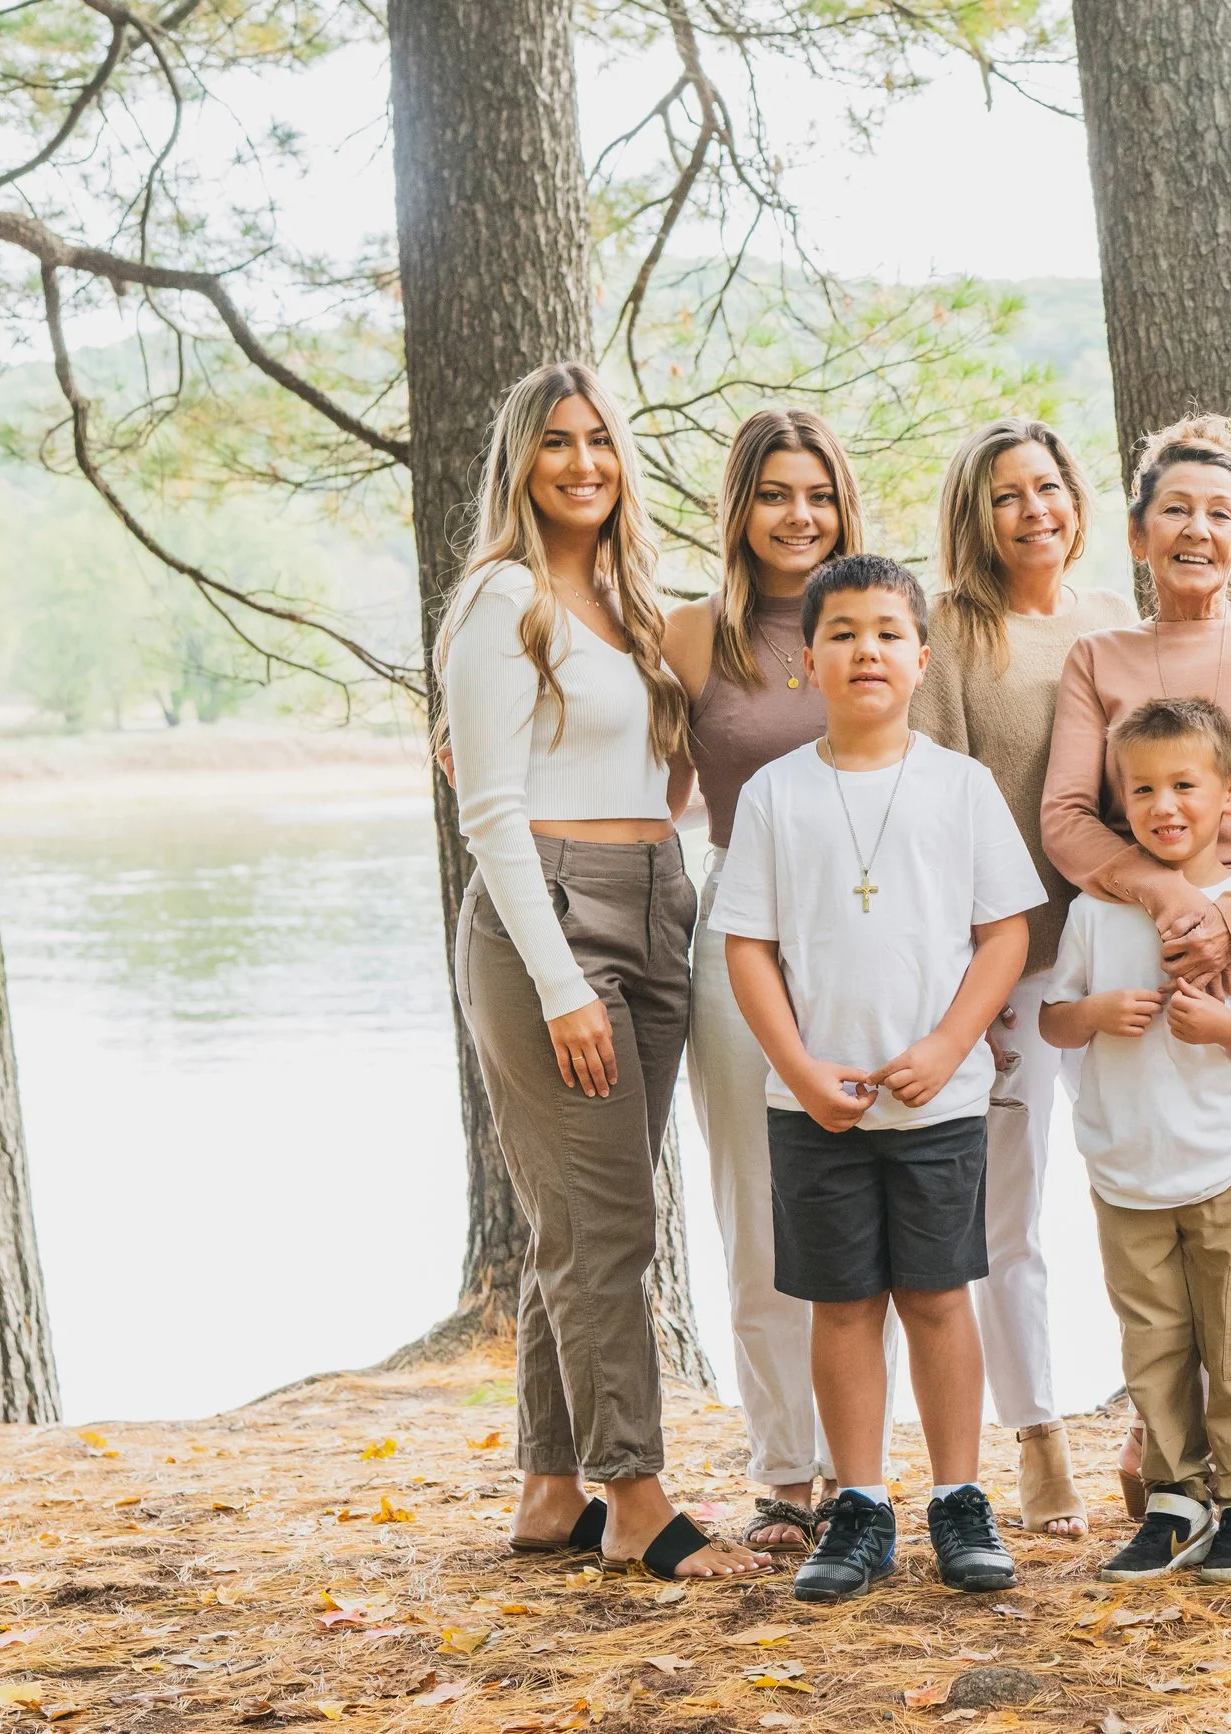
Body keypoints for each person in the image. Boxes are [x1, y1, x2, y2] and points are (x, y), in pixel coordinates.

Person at [440, 360, 766, 1581]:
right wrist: (563, 984)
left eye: (600, 442)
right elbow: (491, 813)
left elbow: (658, 780)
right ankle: (635, 1497)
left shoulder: (632, 605)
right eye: (557, 443)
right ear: (520, 462)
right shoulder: (499, 601)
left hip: (658, 899)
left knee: (578, 1218)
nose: (583, 462)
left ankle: (547, 1489)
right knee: (610, 1222)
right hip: (553, 918)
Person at [709, 554, 1044, 1604]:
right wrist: (799, 1068)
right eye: (843, 633)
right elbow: (749, 948)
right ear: (807, 661)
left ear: (920, 656)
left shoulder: (961, 785)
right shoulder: (774, 795)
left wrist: (950, 1044)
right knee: (842, 1303)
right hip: (818, 1105)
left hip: (935, 1099)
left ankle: (957, 1497)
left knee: (939, 1296)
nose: (867, 650)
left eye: (888, 633)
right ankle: (856, 1504)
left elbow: (1006, 935)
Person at [1042, 414, 1231, 1563]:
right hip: (1142, 933)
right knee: (1163, 1251)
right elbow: (1068, 817)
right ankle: (1177, 1473)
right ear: (1135, 531)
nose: (1197, 529)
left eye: (1220, 512)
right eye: (1175, 509)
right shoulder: (1099, 660)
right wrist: (1167, 904)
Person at [666, 408, 896, 1557]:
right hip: (738, 946)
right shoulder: (694, 640)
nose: (797, 515)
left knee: (873, 1212)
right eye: (773, 494)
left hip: (878, 948)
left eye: (816, 493)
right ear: (739, 508)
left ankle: (869, 1476)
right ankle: (785, 1477)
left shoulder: (882, 624)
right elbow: (643, 792)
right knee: (756, 1216)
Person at [914, 418, 1136, 1540]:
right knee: (1009, 1213)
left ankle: (1157, 1424)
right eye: (1007, 495)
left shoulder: (1112, 625)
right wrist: (962, 978)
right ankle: (1038, 1436)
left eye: (1048, 487)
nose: (1033, 509)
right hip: (1004, 958)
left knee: (1147, 1187)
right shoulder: (951, 632)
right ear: (976, 512)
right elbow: (937, 804)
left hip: (1117, 947)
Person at [1039, 699, 1231, 1584]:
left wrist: (1221, 1029)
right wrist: (1096, 1013)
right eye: (1143, 789)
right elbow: (1052, 1021)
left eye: (1184, 786)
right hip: (1123, 1169)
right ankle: (1175, 1496)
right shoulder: (1095, 912)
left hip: (1226, 1162)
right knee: (1151, 1339)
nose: (1164, 806)